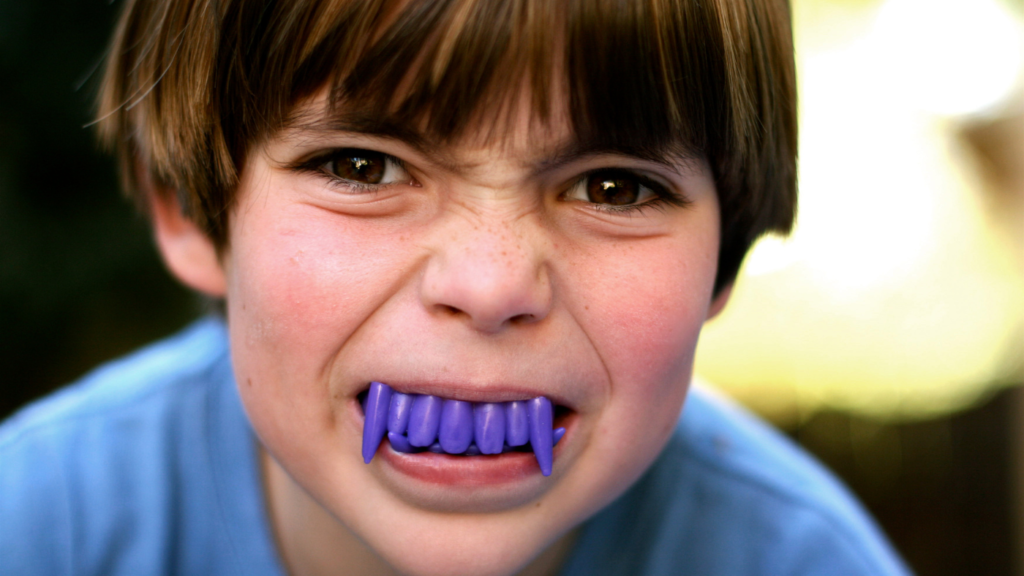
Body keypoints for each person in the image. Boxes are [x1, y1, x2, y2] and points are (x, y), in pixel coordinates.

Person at [0, 0, 910, 574]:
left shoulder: (803, 558)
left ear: (725, 256)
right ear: (192, 215)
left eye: (613, 187)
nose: (490, 283)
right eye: (361, 166)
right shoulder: (38, 526)